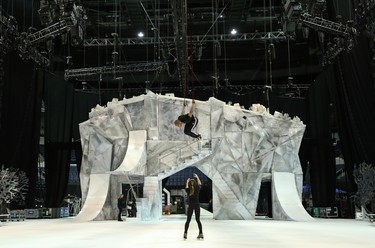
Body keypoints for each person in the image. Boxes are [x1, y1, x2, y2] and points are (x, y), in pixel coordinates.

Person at [183, 173, 204, 240]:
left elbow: (186, 187)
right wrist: (197, 177)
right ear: (195, 183)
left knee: (188, 220)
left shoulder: (188, 190)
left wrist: (187, 181)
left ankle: (185, 233)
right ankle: (201, 233)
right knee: (198, 220)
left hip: (191, 206)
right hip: (197, 205)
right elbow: (200, 183)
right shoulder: (197, 188)